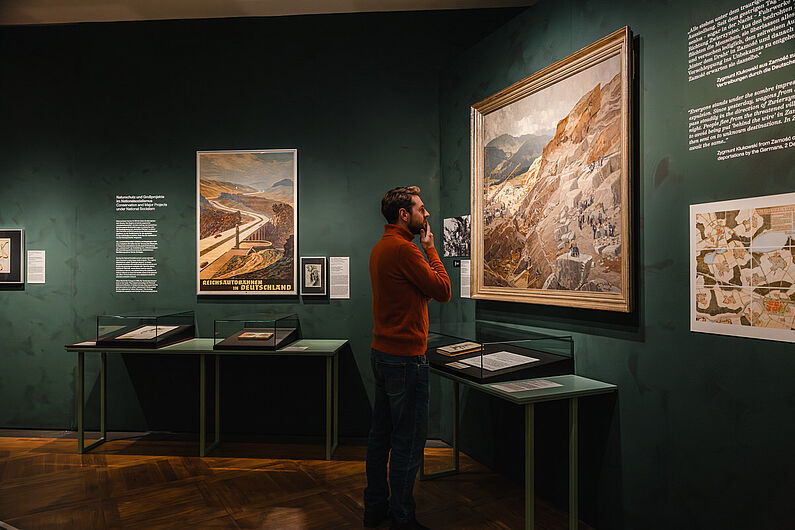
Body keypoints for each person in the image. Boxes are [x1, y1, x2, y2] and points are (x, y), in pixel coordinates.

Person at [365, 186, 451, 530]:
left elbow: (410, 296)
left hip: (382, 354)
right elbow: (442, 291)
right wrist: (431, 251)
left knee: (380, 438)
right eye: (421, 208)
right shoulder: (407, 251)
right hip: (406, 359)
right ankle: (402, 517)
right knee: (408, 443)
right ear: (405, 214)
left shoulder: (380, 248)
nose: (426, 214)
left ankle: (375, 509)